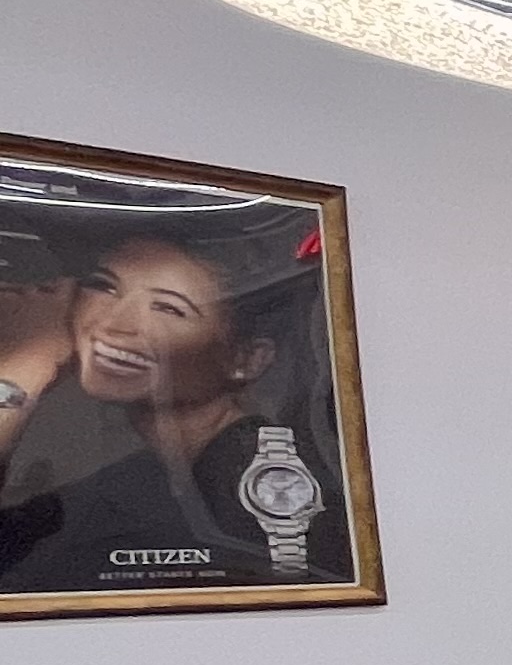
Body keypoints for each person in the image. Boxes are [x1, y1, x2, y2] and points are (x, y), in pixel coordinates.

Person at [0, 218, 358, 595]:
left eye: (170, 309)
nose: (114, 325)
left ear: (247, 358)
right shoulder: (143, 476)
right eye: (104, 286)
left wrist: (23, 368)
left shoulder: (261, 487)